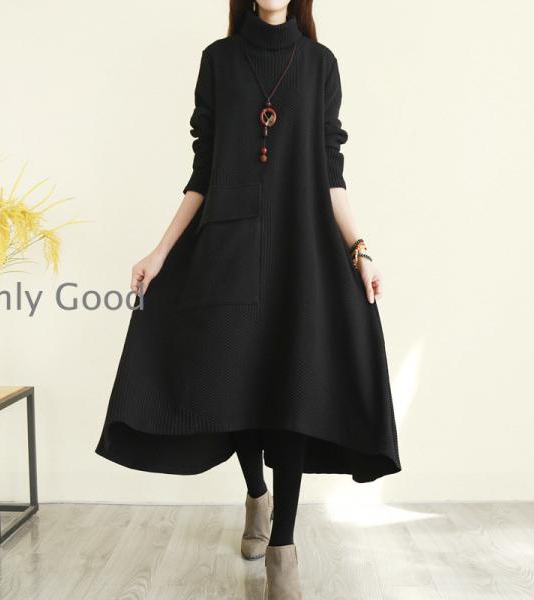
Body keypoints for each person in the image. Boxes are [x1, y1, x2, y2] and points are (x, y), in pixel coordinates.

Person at [95, 1, 401, 597]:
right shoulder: (218, 60)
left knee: (291, 390)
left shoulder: (319, 64)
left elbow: (330, 171)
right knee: (232, 383)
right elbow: (203, 170)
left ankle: (282, 549)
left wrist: (360, 249)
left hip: (300, 249)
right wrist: (160, 251)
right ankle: (257, 495)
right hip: (228, 246)